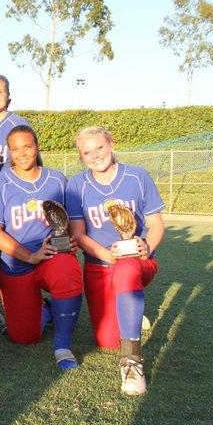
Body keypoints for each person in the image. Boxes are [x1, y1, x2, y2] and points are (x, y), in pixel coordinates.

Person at [65, 125, 165, 395]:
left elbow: (156, 225)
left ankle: (132, 361)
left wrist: (147, 245)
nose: (95, 155)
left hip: (137, 261)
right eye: (87, 152)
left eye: (99, 147)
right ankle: (131, 308)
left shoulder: (137, 176)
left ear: (111, 143)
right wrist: (107, 255)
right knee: (107, 340)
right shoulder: (76, 184)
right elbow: (79, 234)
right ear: (81, 156)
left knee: (126, 269)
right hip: (99, 265)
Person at [0, 125, 83, 370]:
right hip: (17, 264)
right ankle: (46, 310)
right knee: (24, 337)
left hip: (51, 255)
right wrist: (30, 256)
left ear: (37, 147)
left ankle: (62, 345)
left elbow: (70, 220)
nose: (22, 153)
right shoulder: (0, 183)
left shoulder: (57, 179)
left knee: (67, 272)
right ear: (9, 152)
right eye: (15, 149)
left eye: (27, 146)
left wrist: (72, 239)